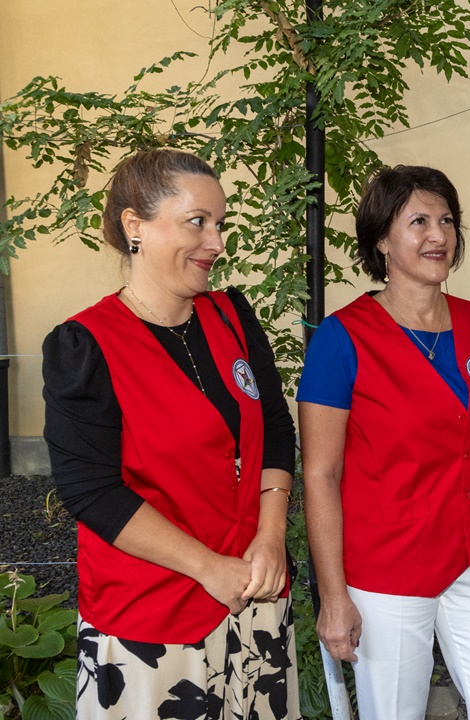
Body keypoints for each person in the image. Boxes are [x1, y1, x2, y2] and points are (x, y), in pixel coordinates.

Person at [42, 149, 299, 719]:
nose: (216, 242)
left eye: (220, 224)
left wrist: (271, 533)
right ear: (135, 226)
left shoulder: (232, 317)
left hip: (256, 601)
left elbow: (276, 431)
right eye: (197, 222)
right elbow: (91, 492)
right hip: (151, 623)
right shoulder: (85, 346)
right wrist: (208, 567)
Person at [299, 165, 470, 720]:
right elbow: (321, 474)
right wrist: (334, 595)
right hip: (388, 568)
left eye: (447, 220)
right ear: (382, 240)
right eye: (418, 222)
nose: (438, 235)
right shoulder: (342, 339)